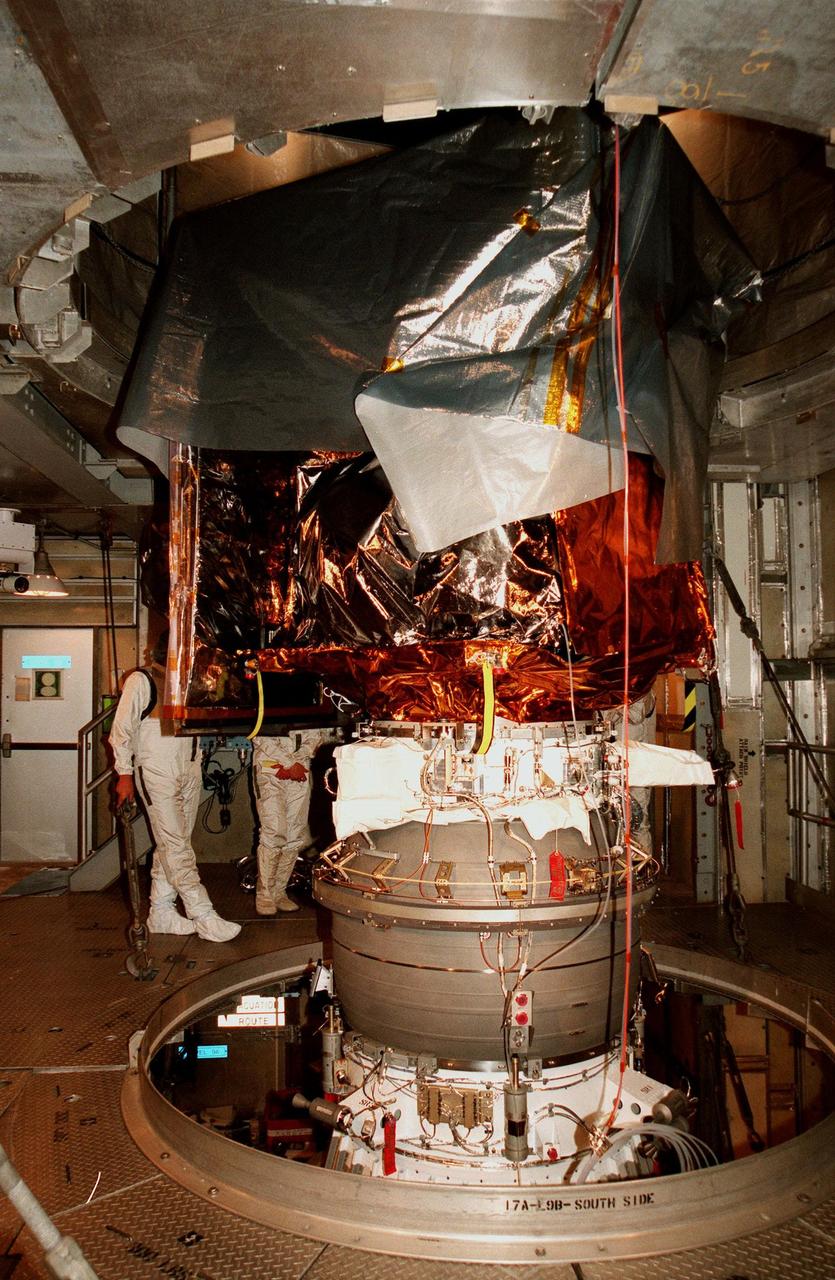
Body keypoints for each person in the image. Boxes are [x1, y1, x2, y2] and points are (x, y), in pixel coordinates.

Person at [109, 631, 241, 942]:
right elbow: (121, 731)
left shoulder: (187, 687)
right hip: (156, 771)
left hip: (188, 768)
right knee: (177, 846)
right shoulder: (141, 681)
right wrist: (124, 775)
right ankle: (202, 913)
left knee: (175, 843)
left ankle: (162, 911)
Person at [251, 729, 333, 915]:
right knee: (274, 832)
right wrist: (288, 763)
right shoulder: (268, 703)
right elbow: (261, 736)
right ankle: (264, 894)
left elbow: (316, 734)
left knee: (294, 835)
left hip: (300, 769)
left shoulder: (310, 706)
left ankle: (279, 892)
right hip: (271, 768)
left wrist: (299, 759)